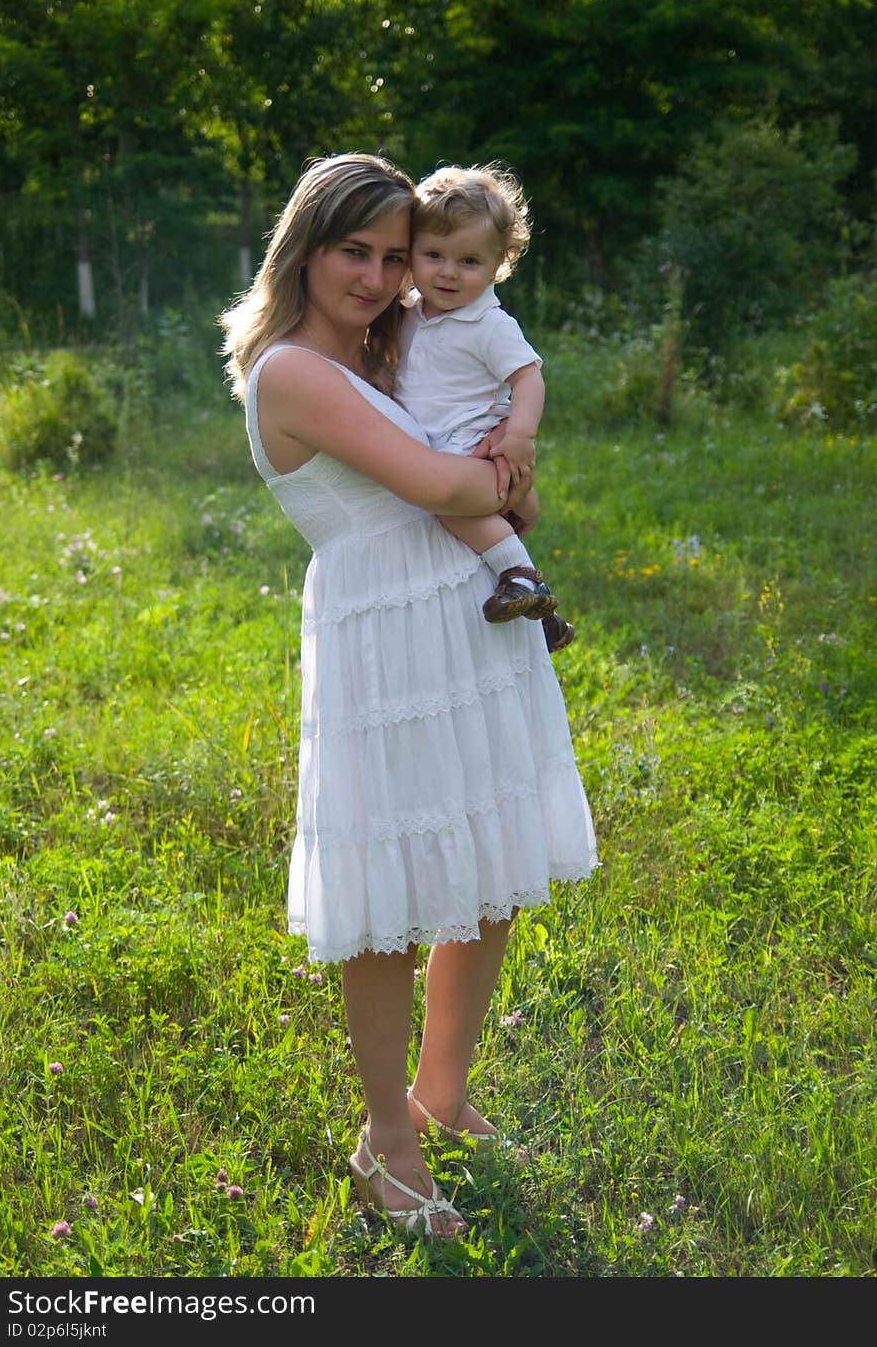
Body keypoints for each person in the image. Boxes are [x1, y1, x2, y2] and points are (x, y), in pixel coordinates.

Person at [219, 152, 598, 1239]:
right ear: (305, 246)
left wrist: (501, 464)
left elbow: (472, 453)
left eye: (396, 255)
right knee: (389, 900)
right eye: (356, 250)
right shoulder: (293, 368)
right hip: (383, 634)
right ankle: (386, 1133)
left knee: (486, 868)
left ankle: (444, 1087)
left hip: (468, 617)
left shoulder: (402, 344)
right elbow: (440, 482)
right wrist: (507, 470)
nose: (381, 275)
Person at [395, 162, 575, 653]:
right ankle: (545, 623)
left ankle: (521, 575)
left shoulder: (488, 323)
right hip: (434, 437)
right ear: (410, 255)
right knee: (469, 533)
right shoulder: (409, 309)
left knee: (447, 504)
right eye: (433, 255)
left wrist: (519, 437)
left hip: (468, 438)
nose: (448, 272)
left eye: (469, 261)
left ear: (498, 265)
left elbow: (528, 377)